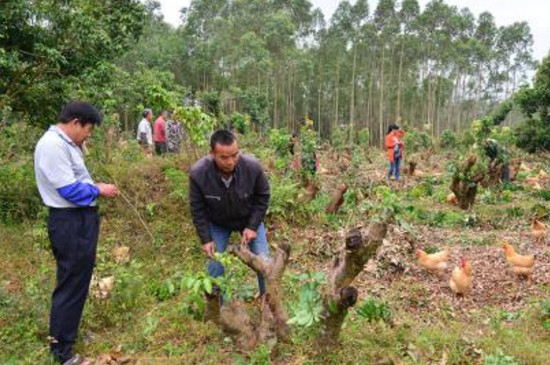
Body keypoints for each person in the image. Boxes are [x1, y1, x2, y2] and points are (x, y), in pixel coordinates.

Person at [34, 101, 119, 365]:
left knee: (79, 279)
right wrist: (99, 190)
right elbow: (69, 190)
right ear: (74, 123)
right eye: (88, 130)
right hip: (69, 221)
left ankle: (68, 335)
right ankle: (62, 351)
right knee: (71, 283)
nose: (88, 135)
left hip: (80, 219)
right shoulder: (52, 146)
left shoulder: (67, 145)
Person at [189, 130, 270, 298]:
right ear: (212, 154)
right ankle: (216, 309)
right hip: (218, 222)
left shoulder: (252, 167)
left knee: (264, 263)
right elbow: (198, 209)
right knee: (215, 265)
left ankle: (268, 302)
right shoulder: (199, 173)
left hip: (248, 218)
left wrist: (253, 226)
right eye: (224, 157)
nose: (231, 161)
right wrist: (206, 239)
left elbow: (262, 197)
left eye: (235, 155)